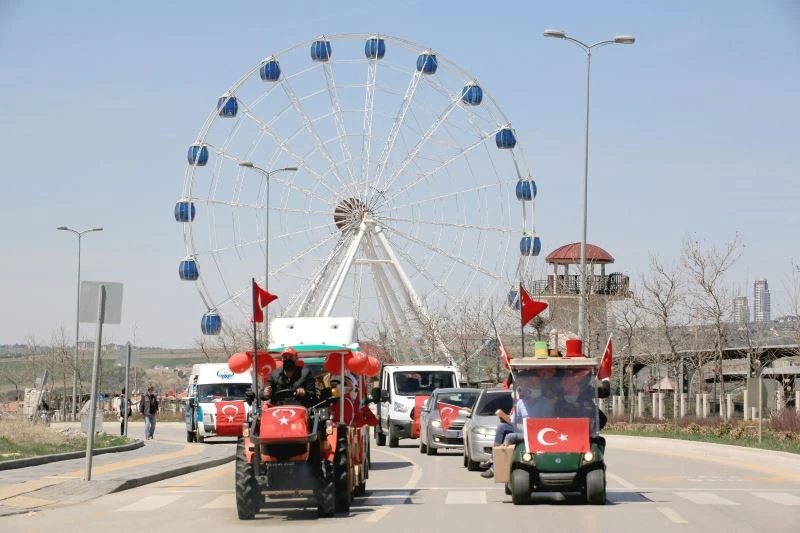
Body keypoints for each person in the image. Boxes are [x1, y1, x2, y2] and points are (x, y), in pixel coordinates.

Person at [481, 374, 553, 479]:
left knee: (510, 437)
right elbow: (512, 421)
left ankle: (495, 468)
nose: (535, 389)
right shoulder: (521, 403)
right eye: (533, 387)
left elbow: (545, 423)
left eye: (537, 387)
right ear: (527, 389)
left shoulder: (545, 403)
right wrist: (503, 415)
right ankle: (493, 458)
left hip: (538, 433)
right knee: (502, 427)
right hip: (524, 430)